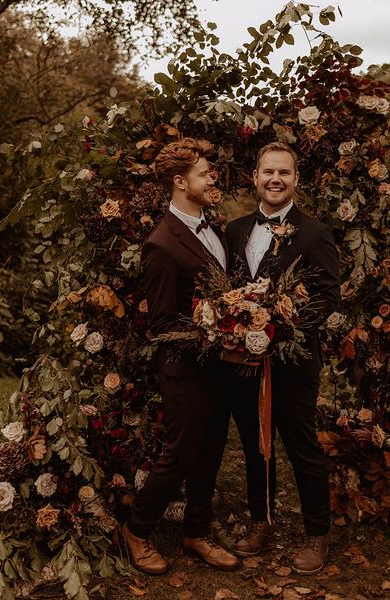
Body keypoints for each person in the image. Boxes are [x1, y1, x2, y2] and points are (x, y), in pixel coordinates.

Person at [122, 137, 238, 574]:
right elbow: (161, 325)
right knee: (180, 454)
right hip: (185, 372)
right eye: (205, 174)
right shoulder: (161, 245)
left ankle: (196, 533)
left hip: (221, 369)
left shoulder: (216, 228)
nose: (212, 179)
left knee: (211, 450)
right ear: (179, 181)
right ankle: (137, 531)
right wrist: (218, 335)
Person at [225, 141, 340, 575]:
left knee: (301, 446)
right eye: (268, 172)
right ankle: (261, 520)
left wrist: (281, 331)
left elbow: (327, 296)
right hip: (243, 362)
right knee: (257, 445)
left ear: (296, 180)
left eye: (284, 173)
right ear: (254, 178)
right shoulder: (234, 230)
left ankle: (317, 533)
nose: (275, 179)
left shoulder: (315, 233)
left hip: (293, 363)